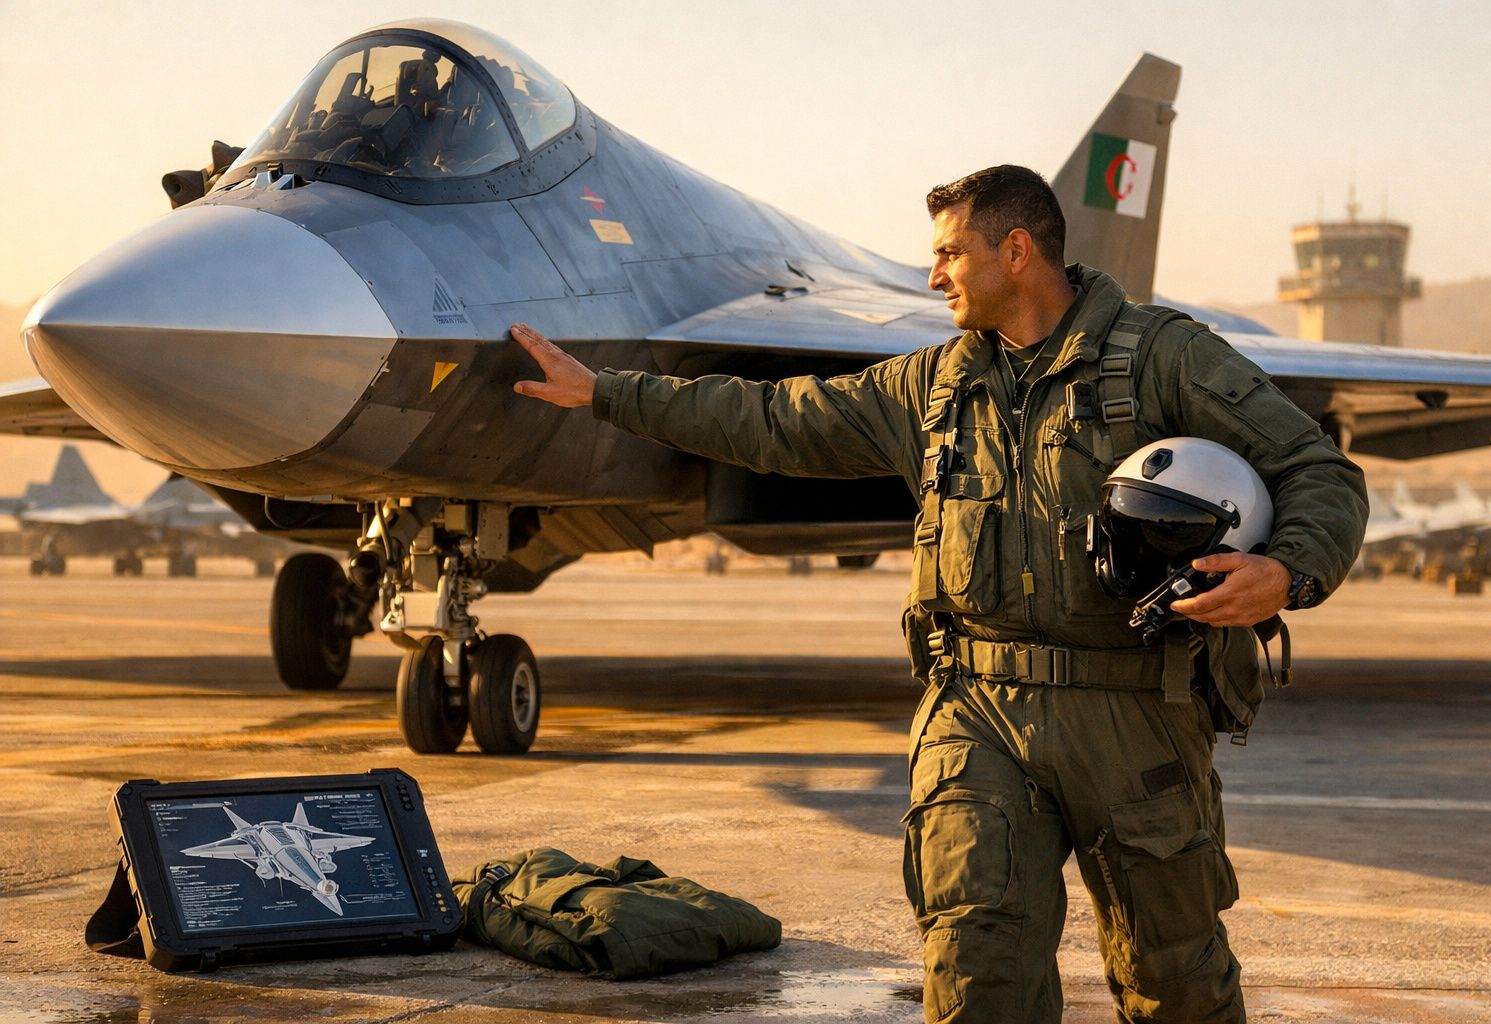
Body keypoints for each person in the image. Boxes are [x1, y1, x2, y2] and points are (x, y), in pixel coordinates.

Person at [507, 164, 1368, 1024]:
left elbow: (1318, 469)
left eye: (951, 253)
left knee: (1174, 979)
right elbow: (772, 420)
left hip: (1133, 712)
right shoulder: (931, 387)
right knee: (974, 971)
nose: (934, 275)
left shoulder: (1164, 359)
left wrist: (1287, 573)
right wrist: (607, 395)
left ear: (1017, 251)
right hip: (975, 709)